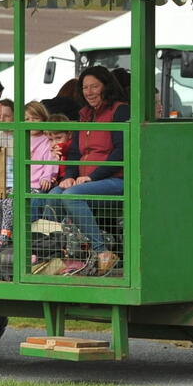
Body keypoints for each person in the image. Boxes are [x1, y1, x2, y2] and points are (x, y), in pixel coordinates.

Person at [45, 66, 128, 274]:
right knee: (55, 193)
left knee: (72, 196)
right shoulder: (84, 115)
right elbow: (74, 153)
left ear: (106, 87)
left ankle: (103, 253)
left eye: (94, 87)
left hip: (116, 179)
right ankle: (52, 256)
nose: (89, 92)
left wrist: (91, 177)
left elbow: (121, 151)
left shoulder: (119, 110)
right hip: (85, 180)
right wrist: (70, 177)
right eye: (85, 88)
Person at [0, 101, 59, 256]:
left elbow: (53, 159)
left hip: (35, 186)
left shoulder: (46, 139)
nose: (31, 122)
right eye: (27, 119)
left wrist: (47, 175)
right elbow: (0, 144)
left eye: (35, 118)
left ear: (43, 119)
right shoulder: (19, 136)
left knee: (10, 202)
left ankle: (4, 239)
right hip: (18, 185)